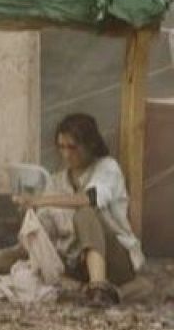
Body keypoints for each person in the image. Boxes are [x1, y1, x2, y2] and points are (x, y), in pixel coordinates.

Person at [12, 113, 143, 305]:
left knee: (85, 213)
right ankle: (94, 291)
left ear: (90, 144)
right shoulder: (58, 181)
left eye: (73, 147)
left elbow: (90, 199)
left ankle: (98, 286)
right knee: (16, 263)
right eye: (62, 147)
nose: (66, 154)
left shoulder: (107, 168)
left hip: (114, 255)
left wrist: (39, 200)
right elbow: (45, 222)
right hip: (76, 259)